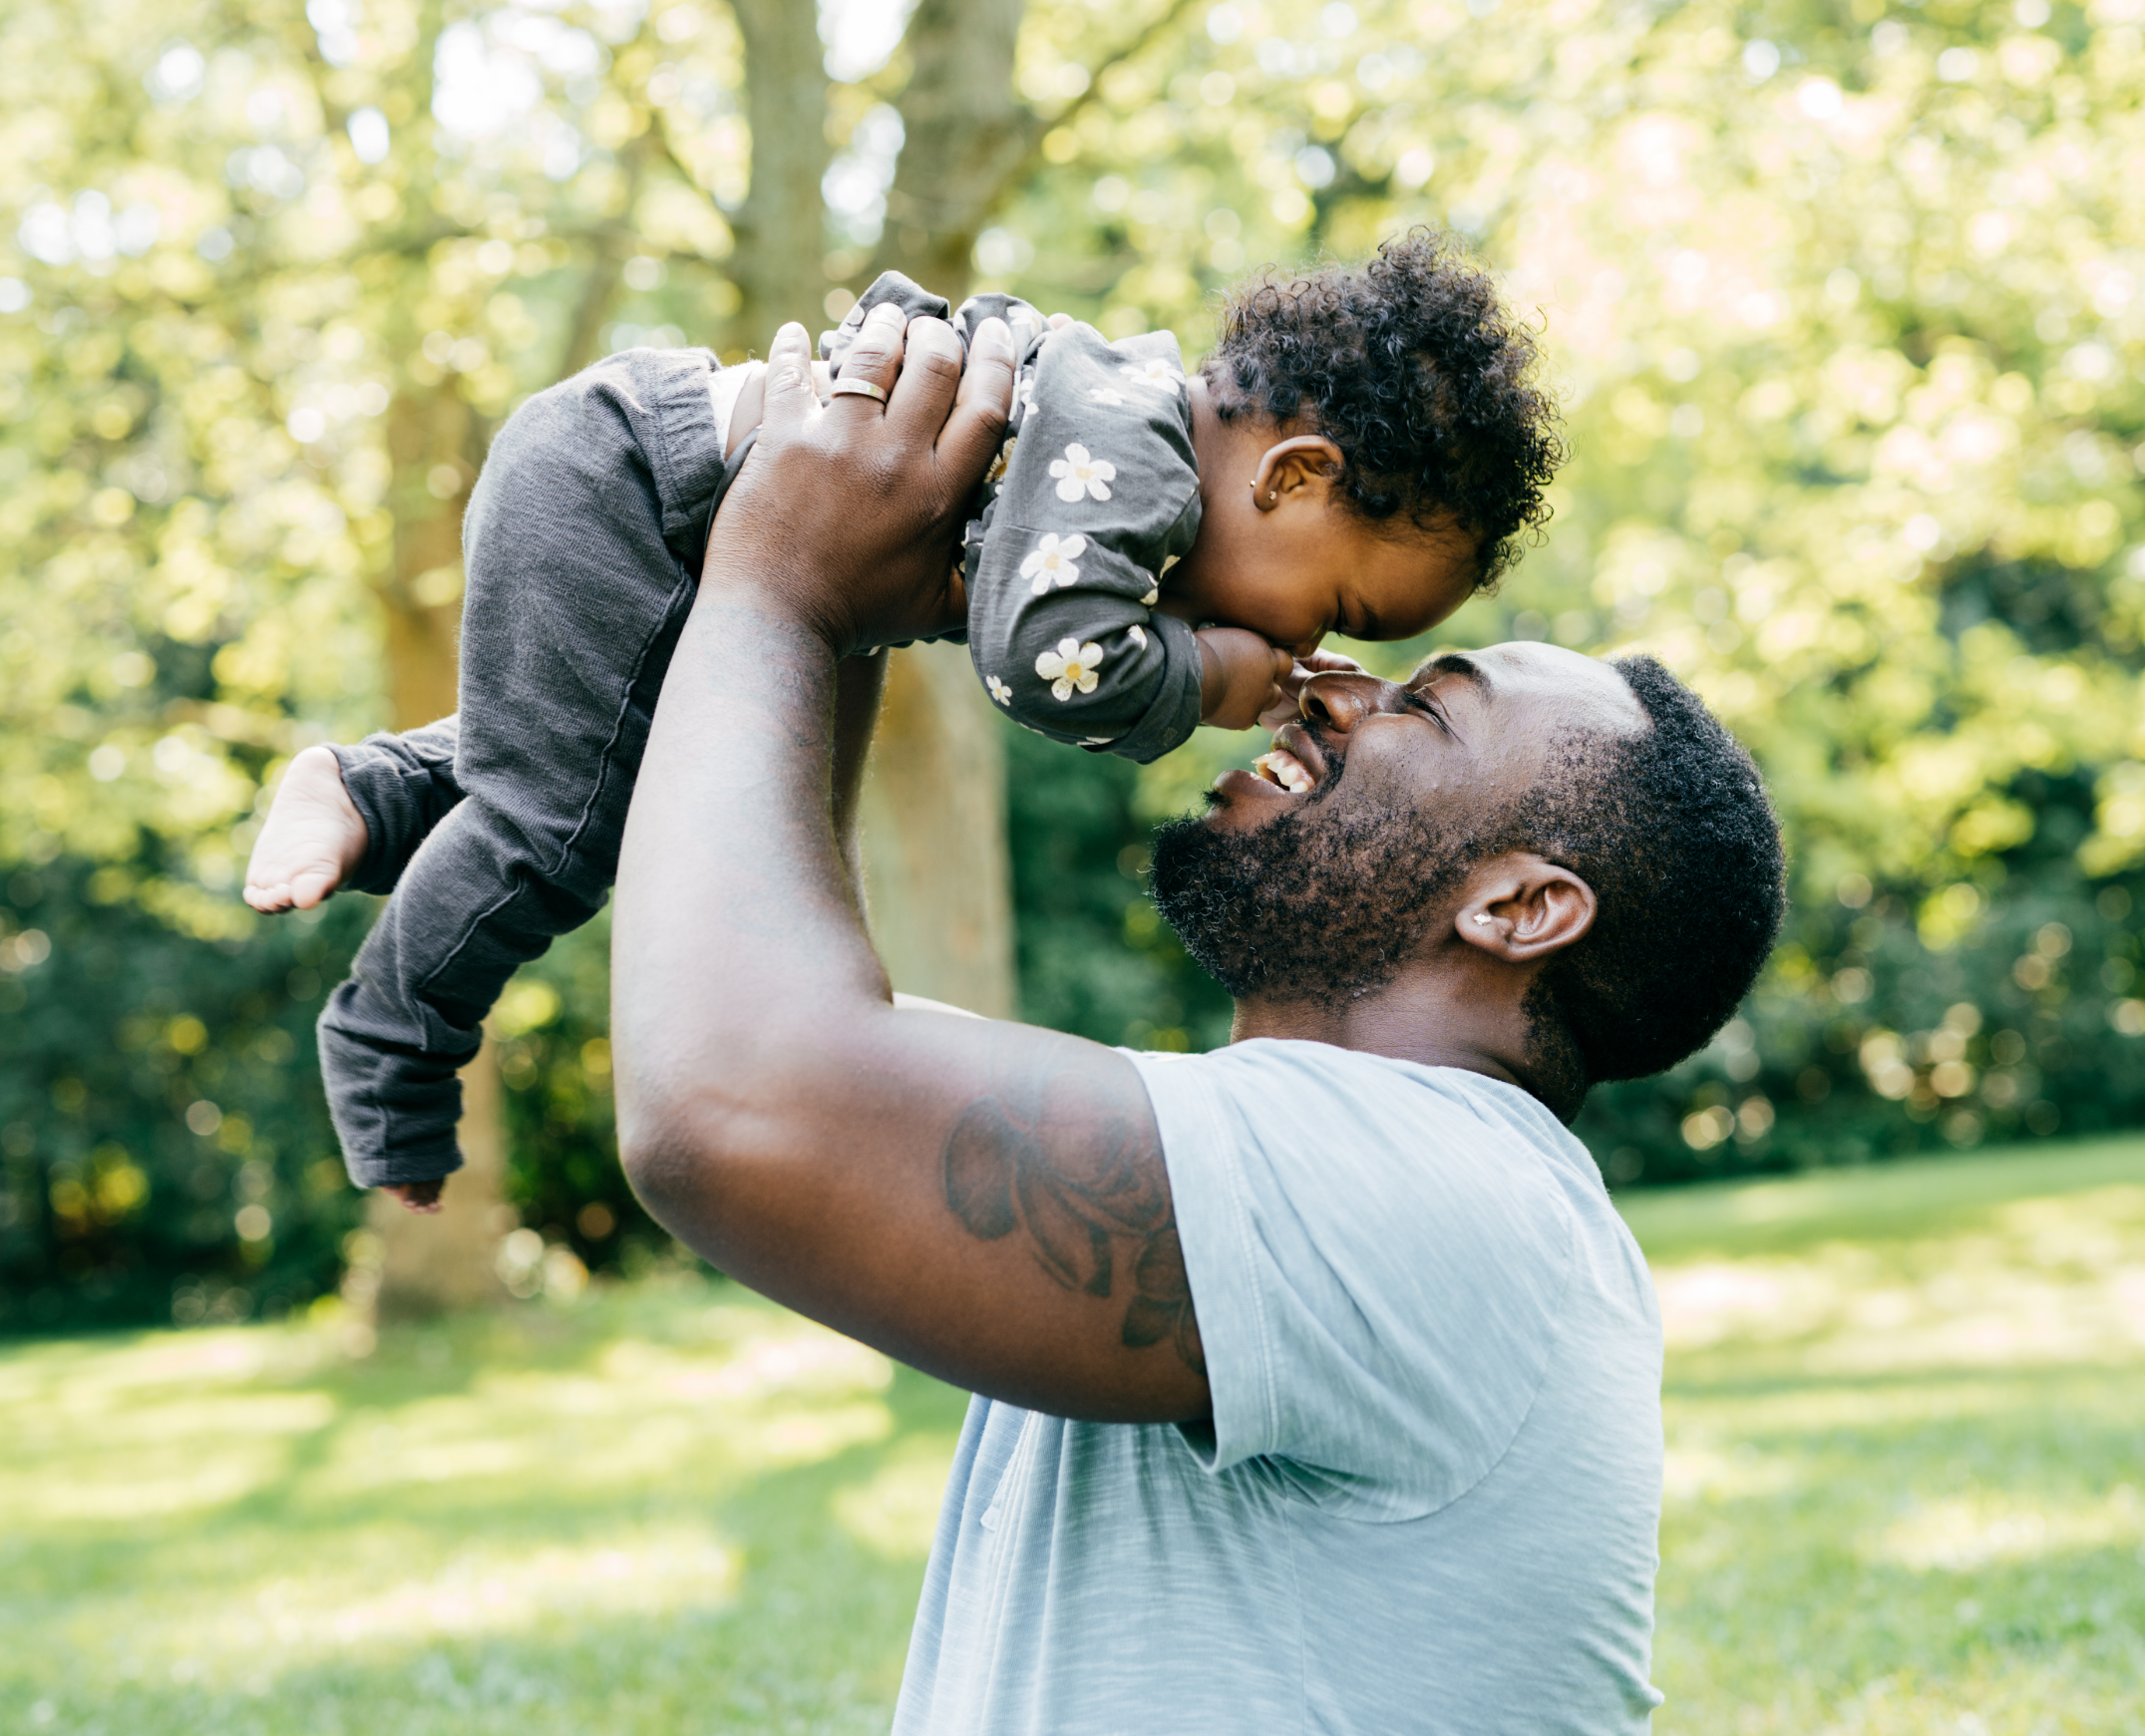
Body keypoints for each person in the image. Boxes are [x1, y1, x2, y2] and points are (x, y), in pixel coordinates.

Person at [227, 293, 1786, 1736]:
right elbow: (793, 1003)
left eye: (1425, 704)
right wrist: (832, 593)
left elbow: (738, 1100)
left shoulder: (1441, 1190)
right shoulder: (1328, 1158)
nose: (1332, 685)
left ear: (1521, 907)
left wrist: (781, 577)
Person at [241, 232, 1561, 1212]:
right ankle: (392, 1044)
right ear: (1297, 474)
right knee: (561, 836)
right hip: (633, 492)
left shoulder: (1129, 440)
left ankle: (367, 788)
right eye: (1332, 602)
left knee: (602, 773)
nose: (1307, 647)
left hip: (633, 482)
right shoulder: (1139, 458)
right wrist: (1214, 677)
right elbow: (1047, 657)